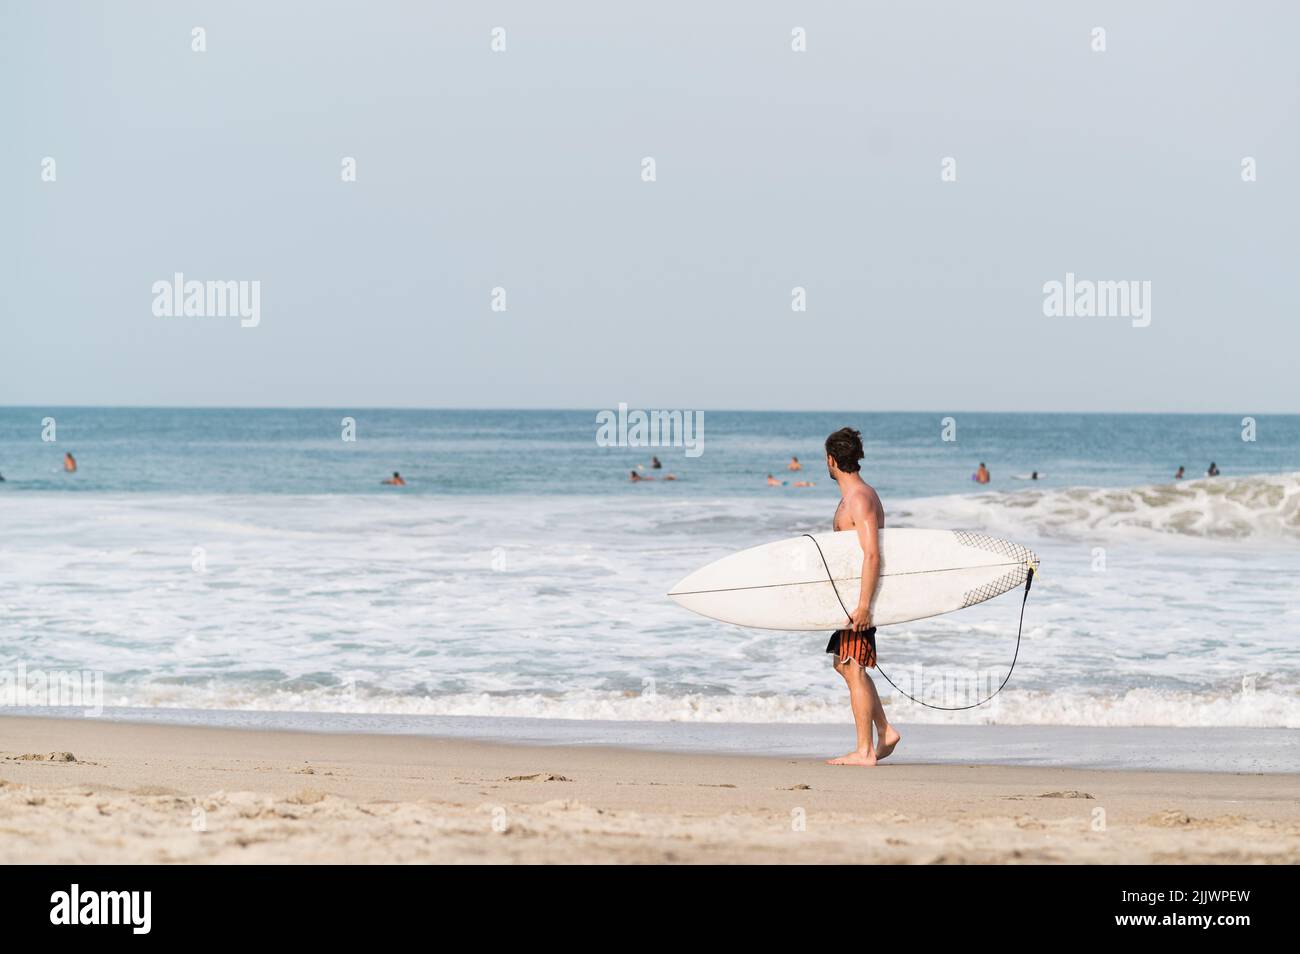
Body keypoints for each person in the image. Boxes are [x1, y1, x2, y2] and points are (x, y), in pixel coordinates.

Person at [823, 427, 900, 766]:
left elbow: (872, 555)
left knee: (853, 668)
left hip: (861, 599)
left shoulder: (859, 498)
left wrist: (865, 605)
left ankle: (865, 750)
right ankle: (884, 730)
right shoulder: (853, 496)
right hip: (851, 598)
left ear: (831, 460)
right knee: (844, 665)